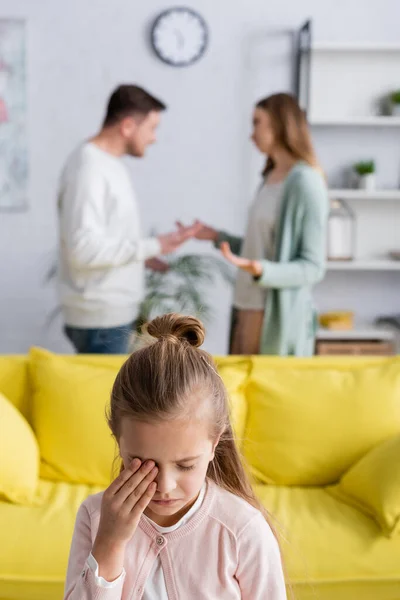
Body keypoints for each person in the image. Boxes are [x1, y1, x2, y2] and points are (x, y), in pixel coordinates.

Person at [64, 313, 287, 599]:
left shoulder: (242, 529)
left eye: (185, 465)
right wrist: (110, 542)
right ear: (118, 440)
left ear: (214, 443)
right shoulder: (95, 518)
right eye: (144, 463)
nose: (165, 486)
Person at [183, 93, 328, 356]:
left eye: (256, 122)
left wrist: (262, 270)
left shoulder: (306, 182)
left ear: (279, 123)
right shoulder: (270, 177)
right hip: (246, 306)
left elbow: (313, 267)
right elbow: (261, 248)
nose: (251, 134)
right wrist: (217, 236)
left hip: (274, 317)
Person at [57, 85, 198, 354]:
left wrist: (141, 258)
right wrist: (155, 245)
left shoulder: (109, 165)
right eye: (152, 128)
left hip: (110, 316)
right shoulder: (89, 168)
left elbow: (103, 237)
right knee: (107, 397)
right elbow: (83, 250)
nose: (154, 138)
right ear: (128, 125)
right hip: (100, 320)